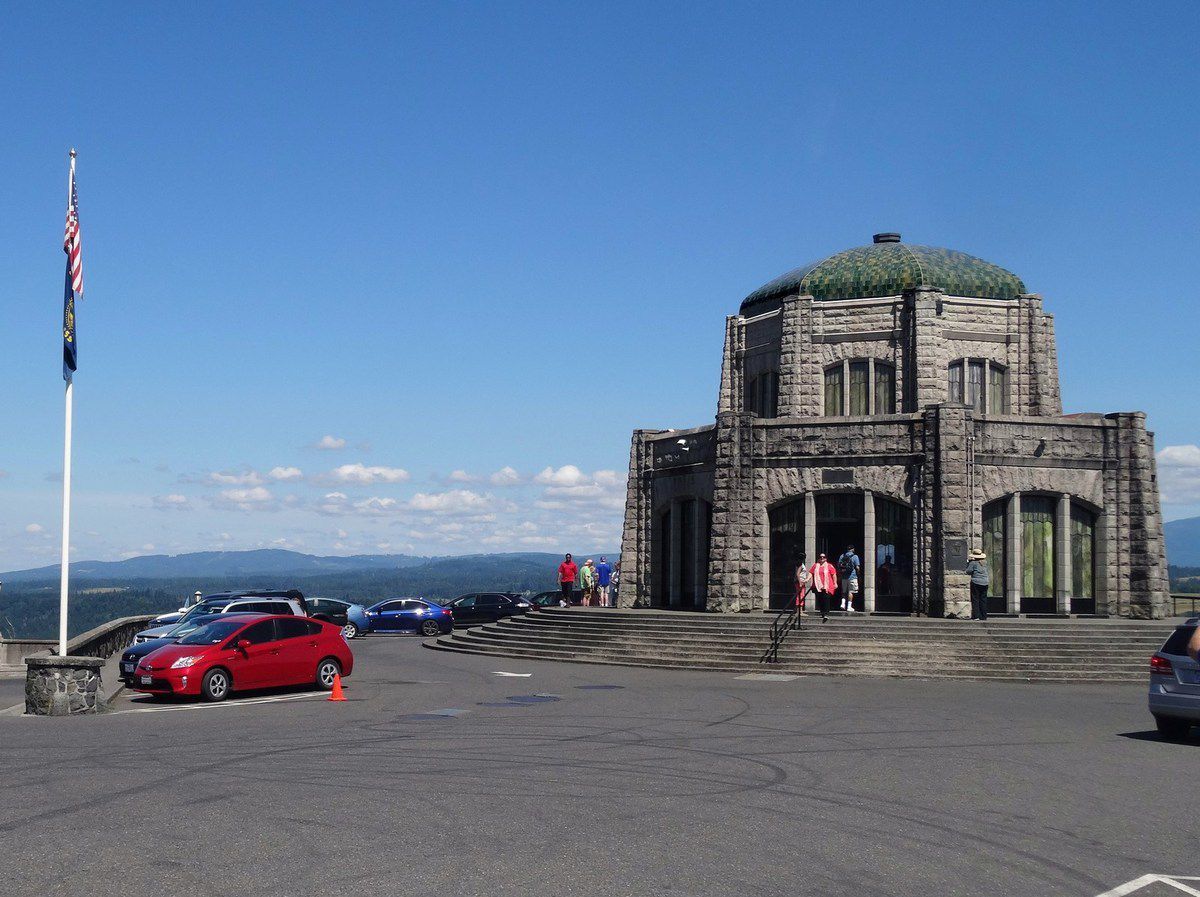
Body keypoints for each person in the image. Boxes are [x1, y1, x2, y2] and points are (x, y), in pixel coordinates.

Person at [810, 553, 838, 622]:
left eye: (823, 557)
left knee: (826, 598)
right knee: (820, 599)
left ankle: (826, 614)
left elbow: (834, 575)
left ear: (826, 558)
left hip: (827, 586)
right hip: (818, 586)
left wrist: (835, 583)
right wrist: (807, 579)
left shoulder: (829, 566)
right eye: (820, 557)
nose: (822, 558)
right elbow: (811, 573)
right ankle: (822, 612)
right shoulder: (815, 566)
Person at [966, 548, 989, 621]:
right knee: (983, 599)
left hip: (976, 582)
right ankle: (983, 616)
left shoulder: (973, 563)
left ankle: (976, 616)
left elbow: (968, 571)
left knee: (975, 599)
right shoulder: (985, 563)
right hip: (985, 582)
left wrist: (968, 564)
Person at [837, 545, 861, 613]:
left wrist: (840, 574)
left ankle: (842, 604)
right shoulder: (855, 556)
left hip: (844, 576)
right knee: (851, 592)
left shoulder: (842, 556)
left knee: (844, 591)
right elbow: (857, 567)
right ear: (853, 549)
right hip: (852, 576)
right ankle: (849, 606)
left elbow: (839, 566)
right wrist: (858, 574)